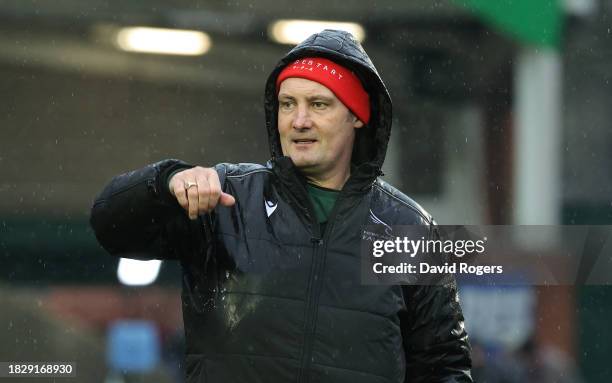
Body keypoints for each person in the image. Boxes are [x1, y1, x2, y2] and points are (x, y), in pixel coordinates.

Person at [91, 29, 472, 382]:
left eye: (318, 104)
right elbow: (110, 227)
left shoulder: (409, 228)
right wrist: (164, 181)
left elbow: (443, 365)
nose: (299, 121)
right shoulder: (226, 198)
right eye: (288, 104)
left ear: (358, 116)